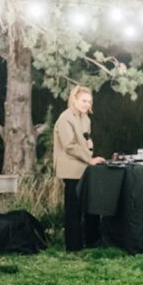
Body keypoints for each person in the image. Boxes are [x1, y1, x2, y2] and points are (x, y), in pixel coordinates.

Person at [53, 85, 105, 252]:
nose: (87, 104)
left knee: (88, 205)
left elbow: (85, 140)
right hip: (70, 168)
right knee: (73, 208)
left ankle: (91, 240)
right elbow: (69, 146)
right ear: (74, 100)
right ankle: (73, 245)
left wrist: (90, 149)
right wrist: (89, 159)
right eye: (84, 100)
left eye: (89, 101)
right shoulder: (65, 118)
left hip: (83, 166)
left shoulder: (85, 118)